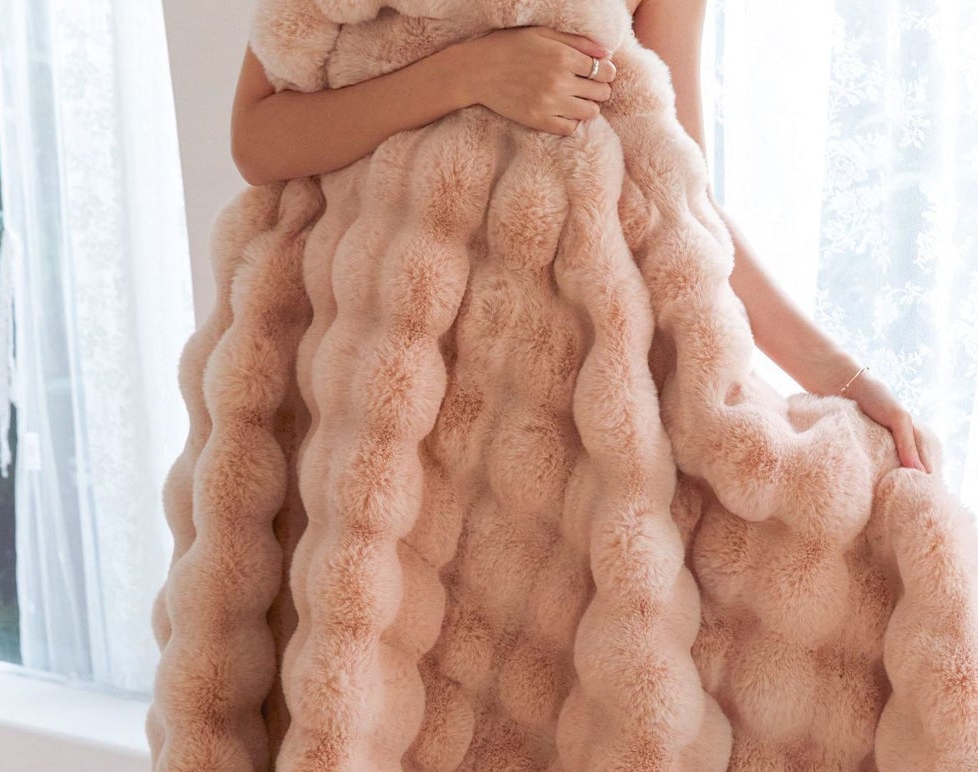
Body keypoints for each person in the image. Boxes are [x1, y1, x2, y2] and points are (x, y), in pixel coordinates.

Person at [229, 0, 929, 473]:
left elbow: (681, 194)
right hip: (387, 370)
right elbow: (257, 140)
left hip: (581, 386)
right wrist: (467, 73)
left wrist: (841, 374)